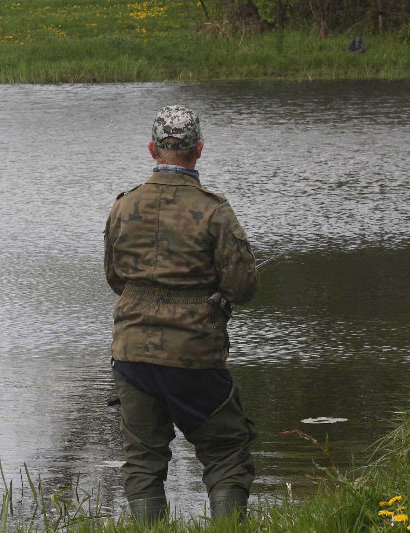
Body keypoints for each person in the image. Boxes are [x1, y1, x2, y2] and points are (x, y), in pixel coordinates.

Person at [104, 105, 260, 524]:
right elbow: (242, 288)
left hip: (132, 352)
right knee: (226, 451)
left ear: (152, 148)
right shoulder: (214, 210)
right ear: (199, 149)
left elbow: (116, 279)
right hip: (194, 352)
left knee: (142, 458)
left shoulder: (124, 206)